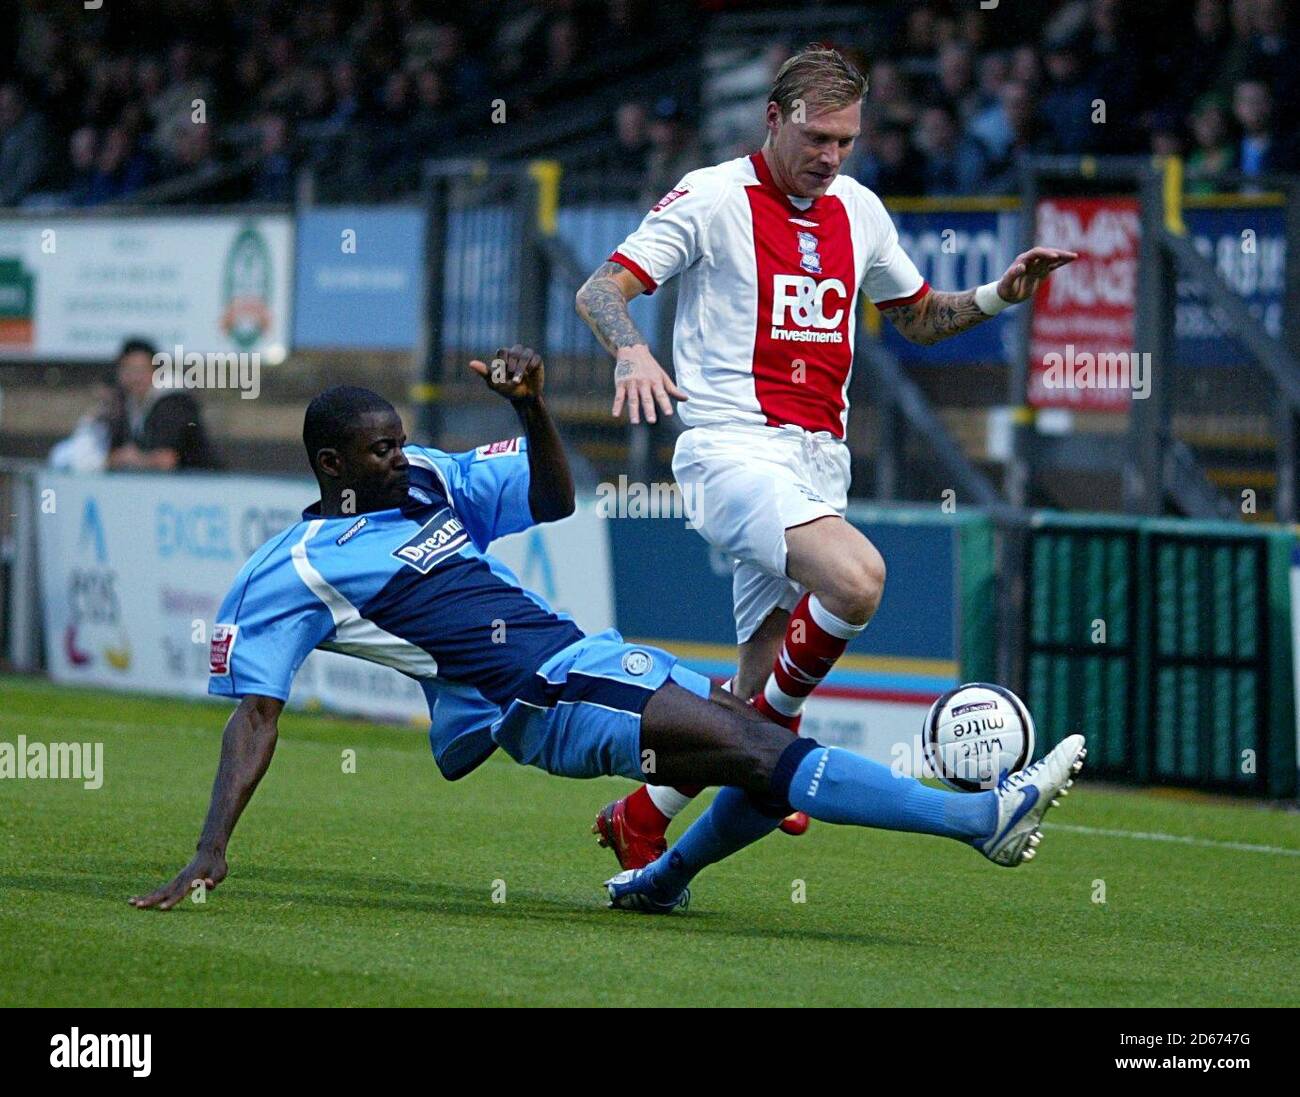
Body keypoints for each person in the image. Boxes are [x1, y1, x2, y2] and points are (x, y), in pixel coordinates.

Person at [128, 345, 1086, 914]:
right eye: (378, 450)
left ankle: (664, 876)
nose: (398, 456)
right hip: (542, 694)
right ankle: (977, 818)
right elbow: (255, 715)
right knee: (757, 742)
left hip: (580, 657)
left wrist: (531, 406)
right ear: (332, 462)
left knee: (758, 751)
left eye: (397, 442)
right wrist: (212, 846)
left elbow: (550, 498)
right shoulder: (290, 573)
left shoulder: (422, 476)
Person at [575, 44, 1076, 868]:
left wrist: (997, 296)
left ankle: (647, 823)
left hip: (816, 465)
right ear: (774, 118)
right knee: (857, 578)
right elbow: (603, 288)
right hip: (731, 451)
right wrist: (630, 352)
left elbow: (915, 315)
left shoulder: (860, 209)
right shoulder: (711, 196)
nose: (831, 157)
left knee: (752, 696)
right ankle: (774, 763)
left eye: (846, 141)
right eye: (817, 137)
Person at [106, 338, 221, 471]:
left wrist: (132, 458)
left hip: (200, 483)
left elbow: (167, 460)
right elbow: (111, 455)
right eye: (128, 370)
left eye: (141, 370)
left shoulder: (174, 402)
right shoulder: (126, 402)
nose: (135, 378)